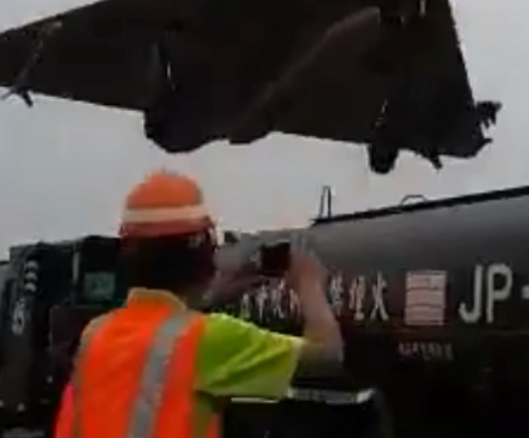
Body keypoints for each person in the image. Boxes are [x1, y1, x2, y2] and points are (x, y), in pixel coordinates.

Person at [55, 170, 345, 438]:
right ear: (202, 256)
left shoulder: (95, 334)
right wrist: (309, 286)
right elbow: (328, 355)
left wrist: (211, 297)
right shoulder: (211, 338)